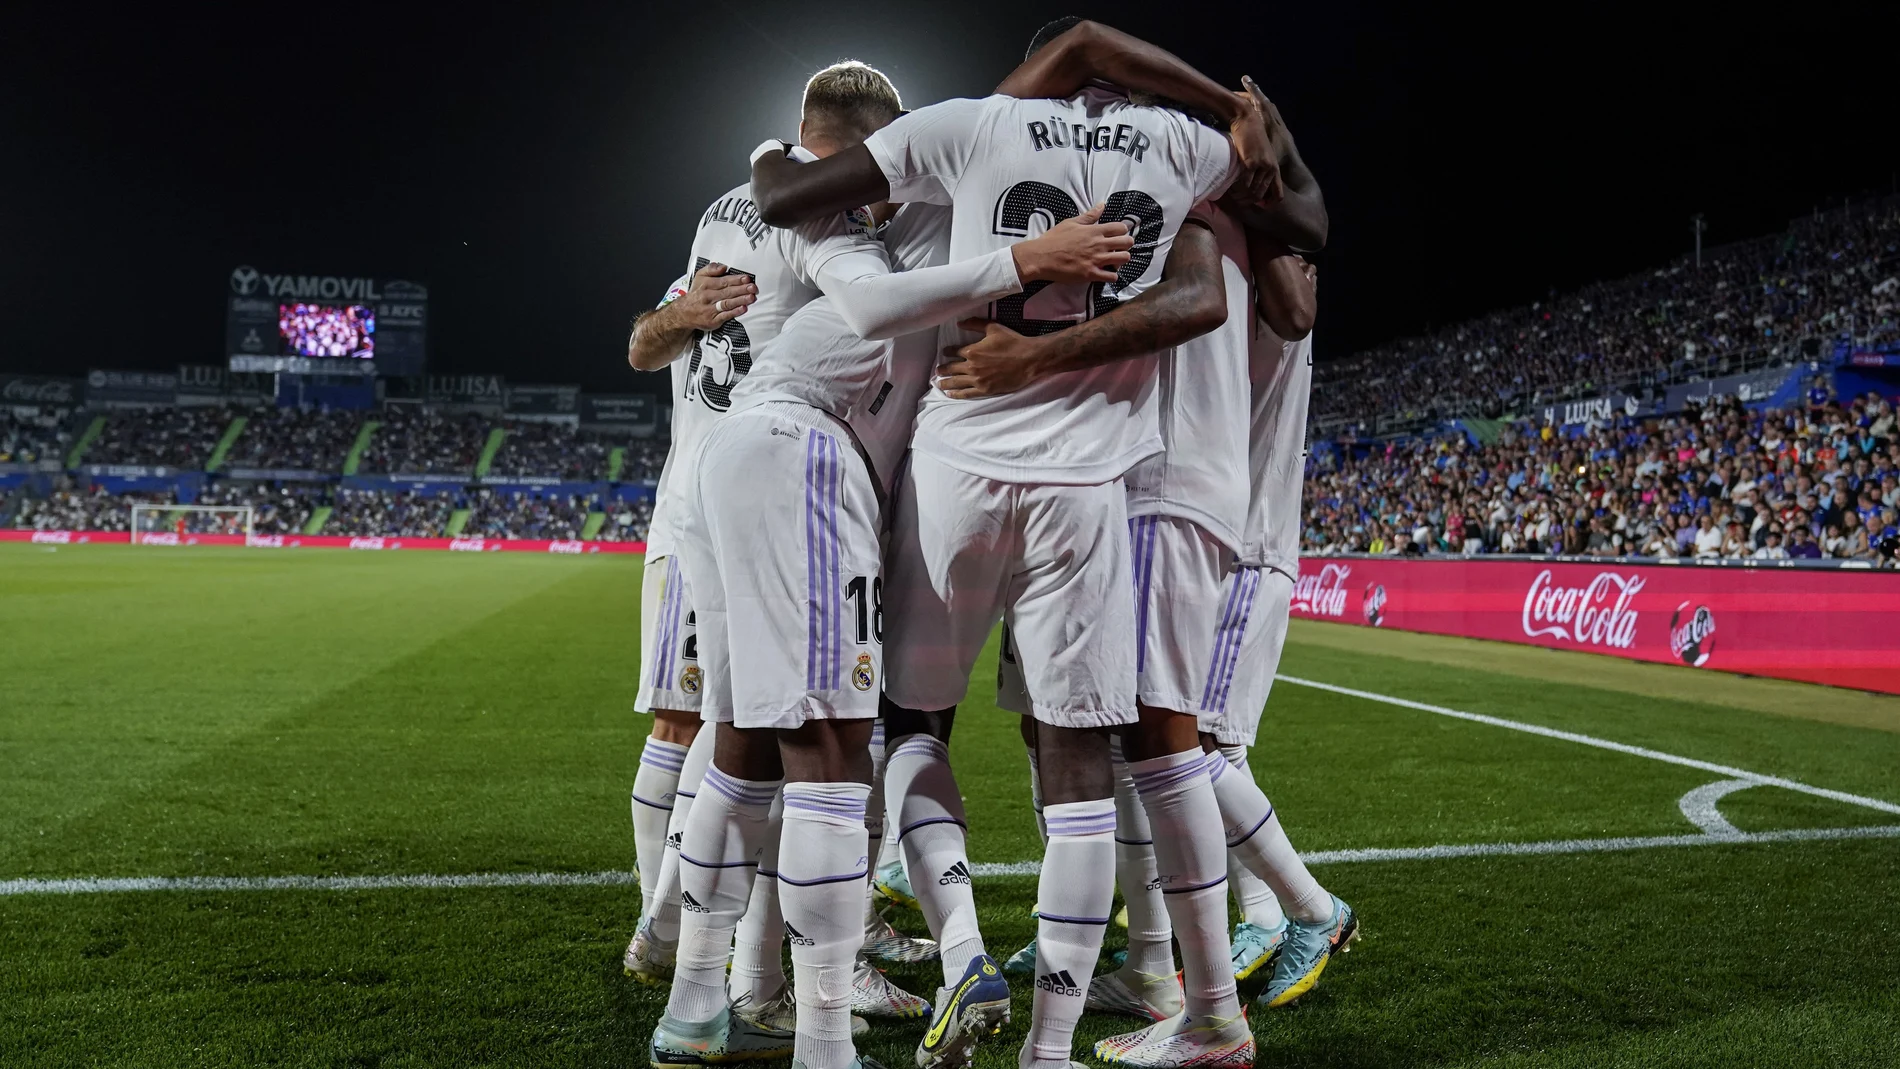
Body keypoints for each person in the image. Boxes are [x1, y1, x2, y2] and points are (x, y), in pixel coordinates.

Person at [749, 18, 1278, 1069]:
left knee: (910, 725)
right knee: (1078, 769)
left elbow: (787, 198)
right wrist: (1240, 109)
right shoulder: (1184, 150)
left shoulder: (967, 125)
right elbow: (1286, 203)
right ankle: (1047, 1049)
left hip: (960, 461)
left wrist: (772, 154)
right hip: (1089, 486)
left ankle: (958, 952)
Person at [638, 59, 1137, 1066]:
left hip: (729, 459)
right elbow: (876, 305)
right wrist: (1029, 257)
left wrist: (776, 154)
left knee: (742, 740)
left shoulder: (792, 203)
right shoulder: (889, 221)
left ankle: (695, 1003)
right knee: (830, 751)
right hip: (797, 453)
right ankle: (824, 1038)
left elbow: (786, 181)